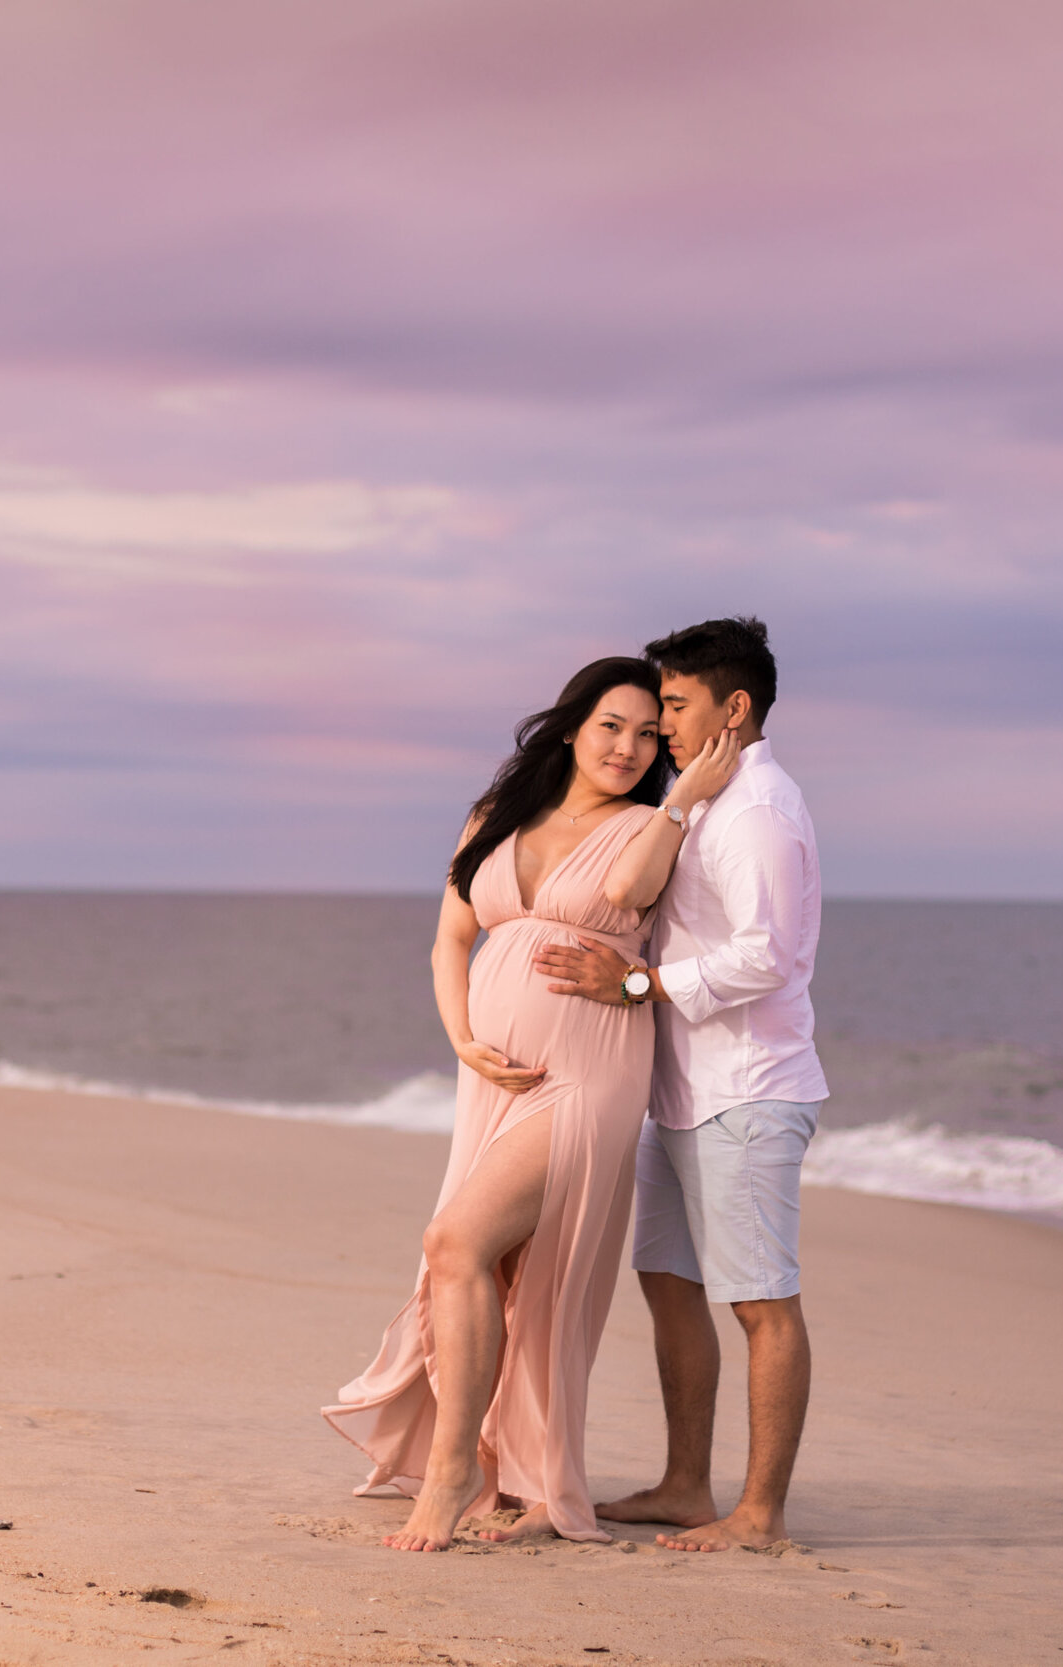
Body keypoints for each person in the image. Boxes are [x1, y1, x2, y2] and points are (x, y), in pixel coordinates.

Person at [322, 655, 741, 1551]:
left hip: (590, 1072)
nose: (630, 746)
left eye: (646, 732)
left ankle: (449, 1474)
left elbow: (627, 894)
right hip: (495, 1075)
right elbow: (450, 937)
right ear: (568, 727)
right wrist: (461, 1035)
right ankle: (496, 1462)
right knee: (497, 1271)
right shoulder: (496, 818)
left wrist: (677, 800)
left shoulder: (655, 824)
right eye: (610, 726)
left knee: (455, 1242)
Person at [533, 617, 827, 1552]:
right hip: (681, 1090)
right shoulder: (703, 799)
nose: (658, 727)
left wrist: (636, 985)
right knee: (666, 1279)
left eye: (673, 705)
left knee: (760, 1301)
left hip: (747, 1090)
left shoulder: (759, 814)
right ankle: (687, 1484)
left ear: (733, 709)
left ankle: (761, 1513)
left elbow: (766, 959)